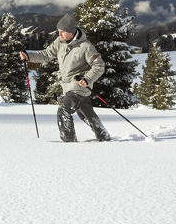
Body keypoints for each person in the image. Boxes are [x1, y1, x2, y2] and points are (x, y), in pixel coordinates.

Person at [20, 14, 111, 142]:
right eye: (59, 31)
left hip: (79, 86)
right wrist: (29, 56)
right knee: (86, 114)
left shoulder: (85, 46)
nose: (60, 34)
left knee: (64, 110)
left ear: (71, 32)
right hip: (67, 87)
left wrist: (87, 79)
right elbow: (46, 54)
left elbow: (99, 65)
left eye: (63, 32)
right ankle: (103, 135)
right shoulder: (60, 42)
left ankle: (69, 141)